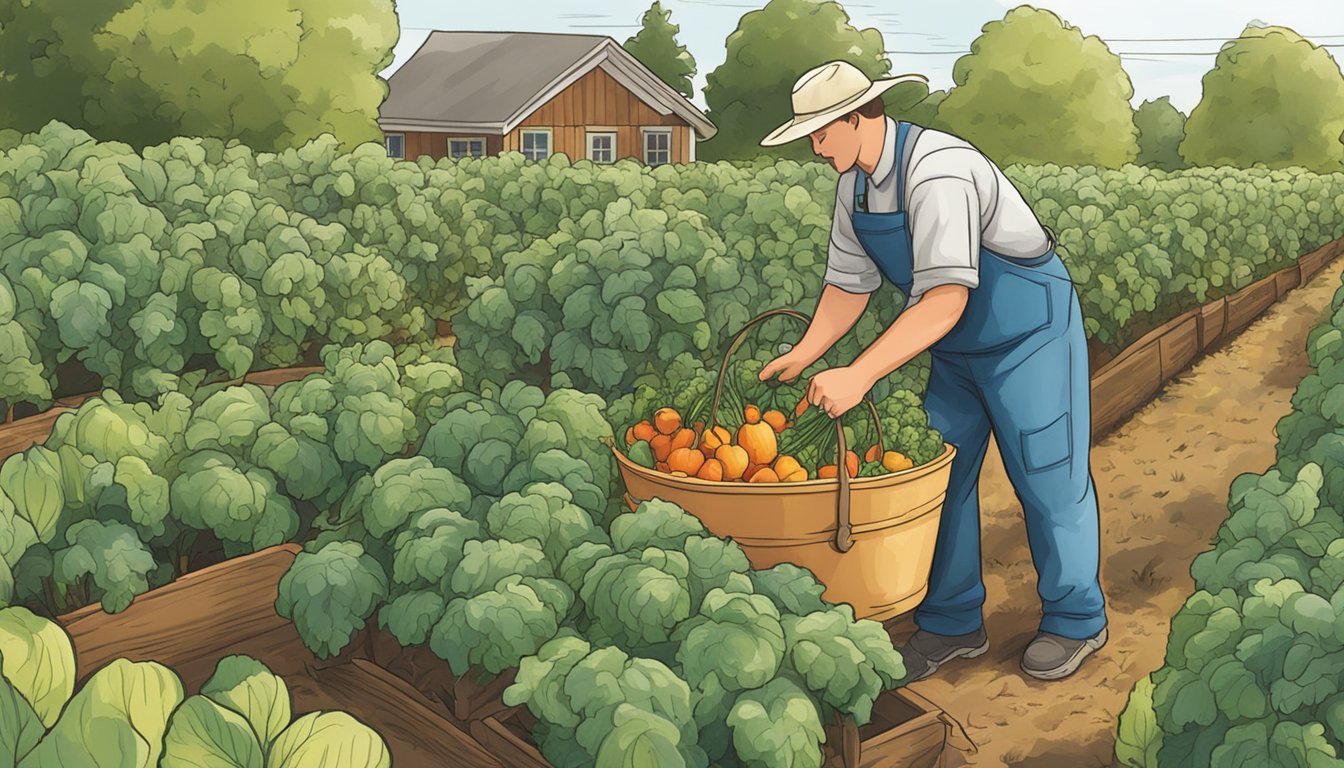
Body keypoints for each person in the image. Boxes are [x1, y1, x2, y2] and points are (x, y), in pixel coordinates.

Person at [757, 60, 1108, 681]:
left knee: (1047, 472)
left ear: (857, 118)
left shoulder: (937, 168)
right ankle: (952, 622)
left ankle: (1076, 618)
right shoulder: (854, 187)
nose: (815, 147)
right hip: (952, 346)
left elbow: (946, 296)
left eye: (819, 133)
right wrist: (805, 352)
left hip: (1029, 333)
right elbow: (848, 285)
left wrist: (858, 374)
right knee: (937, 477)